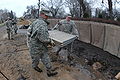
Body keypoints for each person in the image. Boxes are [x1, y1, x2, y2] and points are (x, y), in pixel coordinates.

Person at [27, 9, 58, 77]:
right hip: (36, 47)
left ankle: (49, 71)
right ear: (41, 14)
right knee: (36, 59)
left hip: (40, 46)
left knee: (46, 58)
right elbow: (43, 39)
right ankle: (35, 66)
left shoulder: (35, 21)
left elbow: (28, 31)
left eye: (47, 16)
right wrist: (50, 41)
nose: (47, 17)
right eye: (46, 16)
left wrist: (31, 38)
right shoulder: (42, 24)